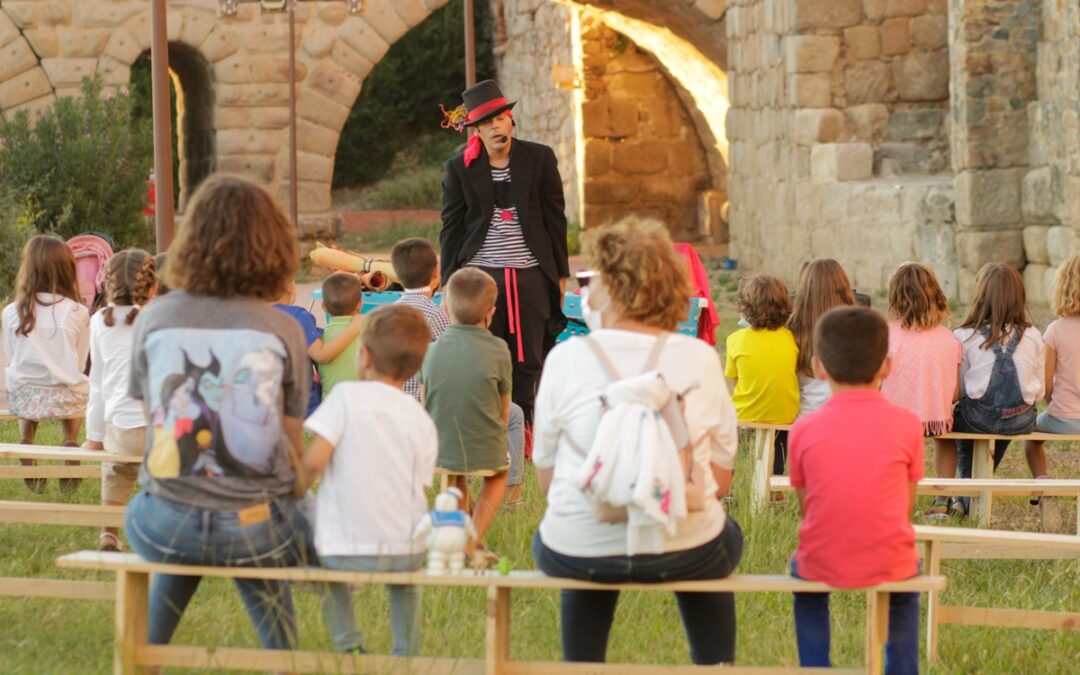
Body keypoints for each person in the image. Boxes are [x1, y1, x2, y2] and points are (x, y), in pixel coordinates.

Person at [531, 217, 743, 665]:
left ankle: (583, 665)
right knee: (720, 537)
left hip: (580, 548)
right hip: (686, 547)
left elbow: (549, 481)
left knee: (577, 541)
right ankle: (715, 662)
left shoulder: (566, 359)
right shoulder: (701, 358)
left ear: (608, 289)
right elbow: (719, 482)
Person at [124, 174, 314, 650]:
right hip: (256, 528)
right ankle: (283, 659)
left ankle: (146, 656)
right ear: (273, 247)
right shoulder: (282, 329)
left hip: (165, 522)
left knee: (179, 518)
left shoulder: (154, 319)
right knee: (267, 524)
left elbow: (157, 430)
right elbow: (291, 455)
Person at [788, 306, 923, 674]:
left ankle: (816, 667)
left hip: (822, 558)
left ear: (818, 367)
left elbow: (808, 506)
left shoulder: (802, 429)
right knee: (904, 591)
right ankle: (901, 668)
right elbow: (905, 507)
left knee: (807, 592)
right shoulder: (909, 425)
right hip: (890, 557)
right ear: (887, 366)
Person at [303, 304, 437, 657]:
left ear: (363, 354)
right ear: (416, 366)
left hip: (340, 548)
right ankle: (405, 652)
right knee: (405, 589)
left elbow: (314, 463)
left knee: (331, 583)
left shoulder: (345, 398)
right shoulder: (419, 416)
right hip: (404, 549)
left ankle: (348, 646)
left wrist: (293, 493)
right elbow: (423, 482)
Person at [440, 79, 570, 434]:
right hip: (482, 273)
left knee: (530, 353)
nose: (497, 126)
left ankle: (527, 429)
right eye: (487, 123)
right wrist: (448, 282)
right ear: (476, 131)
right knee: (484, 353)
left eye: (501, 118)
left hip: (531, 270)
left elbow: (555, 218)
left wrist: (560, 276)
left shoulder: (539, 157)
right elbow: (451, 227)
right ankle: (486, 428)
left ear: (511, 121)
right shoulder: (459, 168)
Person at [391, 237, 527, 507]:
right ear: (435, 276)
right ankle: (512, 495)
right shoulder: (437, 315)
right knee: (515, 414)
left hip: (401, 407)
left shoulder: (387, 312)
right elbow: (457, 365)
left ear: (396, 275)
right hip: (439, 410)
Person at [420, 267, 511, 565]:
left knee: (456, 471)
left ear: (445, 308)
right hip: (483, 445)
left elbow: (426, 402)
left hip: (438, 447)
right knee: (498, 474)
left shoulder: (430, 351)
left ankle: (469, 539)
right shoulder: (499, 349)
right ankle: (472, 542)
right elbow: (503, 412)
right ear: (491, 312)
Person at [952, 263, 1044, 517]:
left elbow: (959, 388)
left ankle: (964, 498)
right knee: (999, 433)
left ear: (980, 295)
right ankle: (970, 493)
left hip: (976, 419)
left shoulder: (963, 335)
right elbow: (1039, 391)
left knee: (963, 440)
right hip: (1019, 420)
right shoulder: (1034, 335)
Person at [2, 234, 90, 494]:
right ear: (67, 270)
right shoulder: (78, 311)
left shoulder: (11, 312)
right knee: (76, 381)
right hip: (67, 399)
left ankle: (26, 440)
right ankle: (70, 440)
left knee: (21, 378)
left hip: (25, 398)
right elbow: (81, 361)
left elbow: (11, 356)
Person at [82, 249, 157, 551]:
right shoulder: (159, 318)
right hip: (159, 432)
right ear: (153, 286)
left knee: (115, 471)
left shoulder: (100, 321)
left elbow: (97, 383)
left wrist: (94, 436)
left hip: (121, 431)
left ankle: (109, 533)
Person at [878, 263, 962, 518]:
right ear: (936, 295)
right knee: (945, 438)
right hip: (936, 416)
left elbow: (878, 383)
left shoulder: (885, 336)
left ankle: (893, 495)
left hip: (895, 418)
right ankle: (941, 498)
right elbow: (956, 393)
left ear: (895, 298)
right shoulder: (948, 338)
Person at [1023, 255, 1080, 531]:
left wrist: (1055, 404)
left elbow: (1045, 385)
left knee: (1031, 438)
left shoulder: (1055, 330)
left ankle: (1045, 487)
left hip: (1063, 418)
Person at [724, 274, 798, 475]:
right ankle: (775, 480)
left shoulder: (735, 340)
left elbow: (735, 381)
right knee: (777, 448)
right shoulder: (791, 338)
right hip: (784, 415)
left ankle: (736, 481)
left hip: (746, 414)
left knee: (734, 441)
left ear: (745, 308)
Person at [274, 281, 362, 417]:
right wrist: (355, 327)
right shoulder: (298, 316)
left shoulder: (254, 317)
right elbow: (321, 355)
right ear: (290, 287)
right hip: (303, 410)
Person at [786, 259, 857, 417]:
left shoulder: (791, 329)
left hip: (805, 420)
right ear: (844, 288)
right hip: (846, 418)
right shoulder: (857, 327)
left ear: (805, 291)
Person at [316, 272, 364, 397]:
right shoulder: (370, 333)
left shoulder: (317, 341)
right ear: (360, 305)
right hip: (363, 407)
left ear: (323, 307)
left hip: (330, 409)